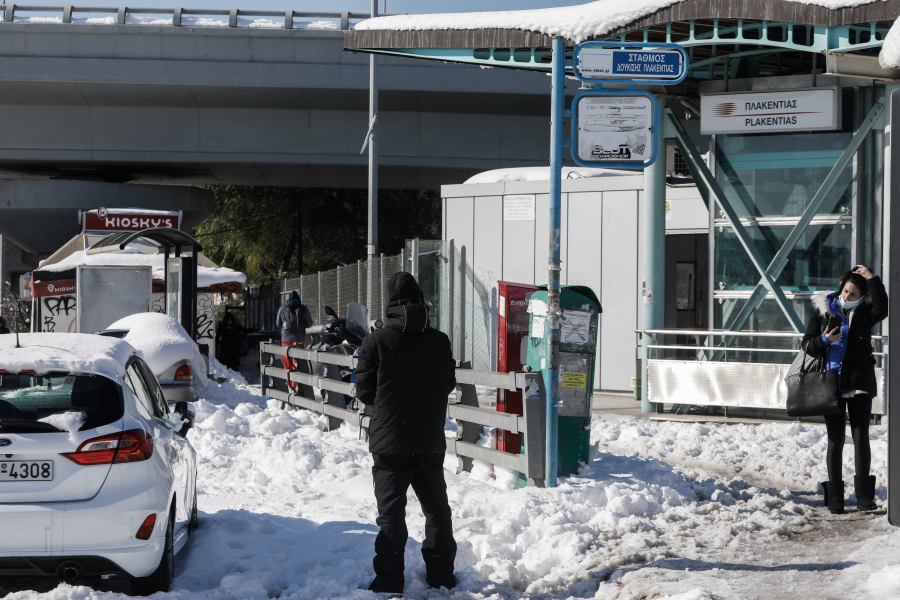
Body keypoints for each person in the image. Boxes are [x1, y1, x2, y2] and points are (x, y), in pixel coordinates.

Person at [355, 272, 457, 595]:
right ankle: (442, 576)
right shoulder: (440, 341)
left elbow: (364, 392)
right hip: (429, 440)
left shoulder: (376, 342)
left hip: (390, 443)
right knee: (437, 510)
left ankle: (389, 581)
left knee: (391, 515)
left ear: (390, 304)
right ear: (421, 300)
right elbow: (448, 384)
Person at [802, 265, 888, 514]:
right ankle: (835, 498)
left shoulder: (865, 313)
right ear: (841, 288)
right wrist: (824, 340)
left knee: (861, 438)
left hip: (859, 381)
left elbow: (883, 308)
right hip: (831, 383)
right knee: (835, 440)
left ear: (861, 297)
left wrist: (872, 279)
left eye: (854, 294)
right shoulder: (823, 310)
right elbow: (807, 344)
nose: (847, 296)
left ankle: (864, 497)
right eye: (846, 291)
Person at [275, 291, 313, 393]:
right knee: (300, 364)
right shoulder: (303, 308)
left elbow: (278, 324)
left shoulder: (282, 308)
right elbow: (309, 324)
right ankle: (299, 387)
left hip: (286, 341)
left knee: (288, 365)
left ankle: (289, 387)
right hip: (300, 340)